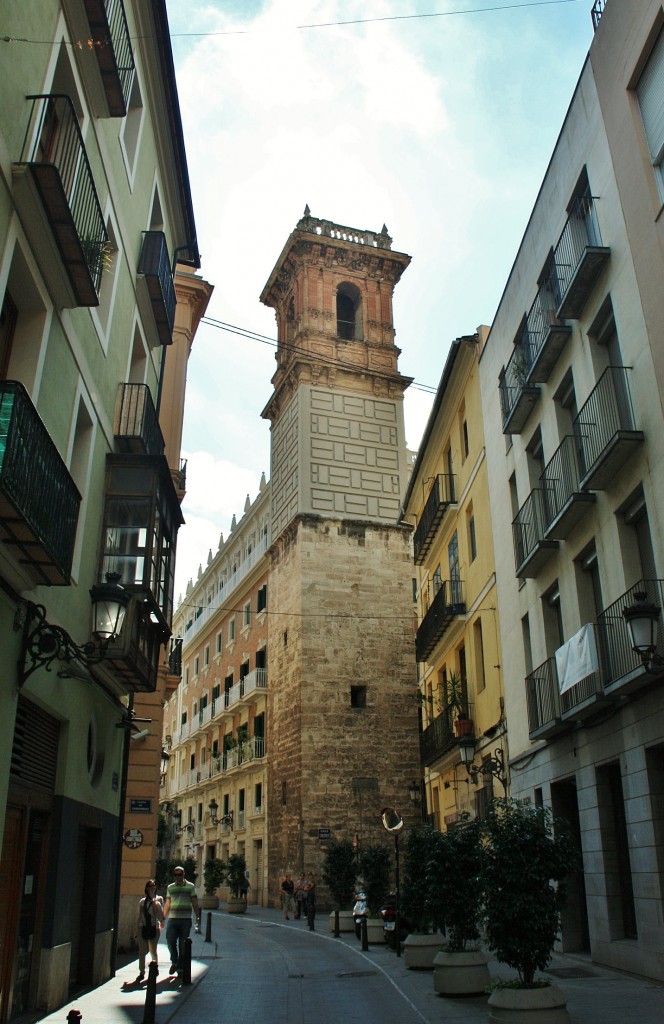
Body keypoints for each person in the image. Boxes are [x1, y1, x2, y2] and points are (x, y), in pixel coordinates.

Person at [163, 865, 201, 975]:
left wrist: (197, 916)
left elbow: (194, 901)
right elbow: (167, 903)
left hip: (185, 919)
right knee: (170, 940)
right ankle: (174, 961)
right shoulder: (170, 887)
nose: (177, 877)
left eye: (179, 875)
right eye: (175, 875)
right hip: (173, 918)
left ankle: (180, 967)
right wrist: (163, 917)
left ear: (183, 875)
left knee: (183, 944)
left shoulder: (190, 886)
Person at [136, 880, 164, 982]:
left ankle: (154, 967)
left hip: (154, 928)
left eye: (154, 886)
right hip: (143, 927)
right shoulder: (142, 901)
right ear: (147, 888)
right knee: (142, 951)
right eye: (150, 886)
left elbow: (160, 917)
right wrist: (137, 927)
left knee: (153, 950)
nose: (152, 888)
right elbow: (140, 915)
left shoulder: (157, 902)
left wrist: (155, 904)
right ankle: (141, 972)